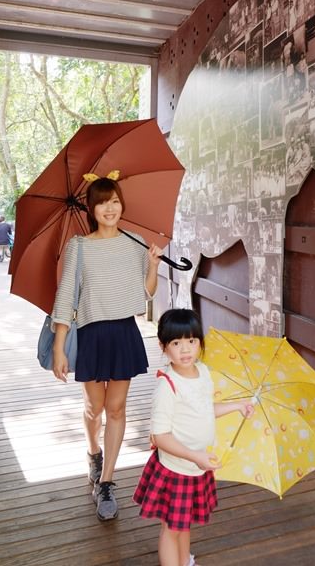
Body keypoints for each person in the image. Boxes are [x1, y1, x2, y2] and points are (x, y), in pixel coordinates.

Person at [52, 174, 163, 521]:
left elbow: (145, 294)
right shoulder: (79, 247)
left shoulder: (135, 243)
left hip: (123, 333)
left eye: (114, 200)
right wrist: (59, 347)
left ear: (121, 203)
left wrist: (153, 266)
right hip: (91, 334)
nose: (110, 208)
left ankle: (107, 481)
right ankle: (93, 451)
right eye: (102, 202)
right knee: (93, 408)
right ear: (91, 208)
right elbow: (65, 298)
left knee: (116, 410)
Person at [133, 309, 254, 566]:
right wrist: (194, 455)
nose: (185, 349)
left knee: (183, 523)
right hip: (176, 468)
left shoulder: (203, 372)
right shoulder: (168, 385)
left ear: (200, 343)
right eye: (176, 343)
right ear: (163, 347)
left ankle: (185, 561)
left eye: (192, 341)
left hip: (196, 467)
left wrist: (237, 406)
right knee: (171, 528)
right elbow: (160, 435)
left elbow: (205, 410)